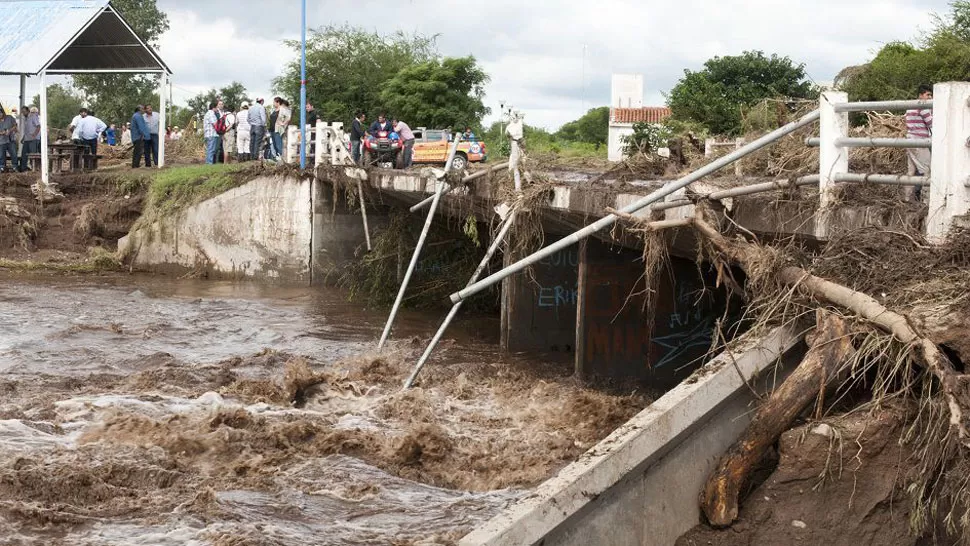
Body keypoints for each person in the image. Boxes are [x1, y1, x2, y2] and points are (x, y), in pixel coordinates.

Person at [904, 84, 933, 202]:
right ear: (921, 95)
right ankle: (926, 201)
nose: (930, 97)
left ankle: (907, 199)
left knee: (911, 171)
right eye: (928, 95)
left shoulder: (911, 106)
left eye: (931, 95)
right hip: (920, 142)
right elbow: (932, 124)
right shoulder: (924, 107)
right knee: (927, 170)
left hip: (909, 140)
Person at [18, 106, 41, 172]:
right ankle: (23, 169)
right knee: (24, 154)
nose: (23, 113)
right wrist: (23, 137)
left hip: (33, 139)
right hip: (26, 139)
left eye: (24, 112)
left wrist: (34, 134)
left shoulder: (33, 116)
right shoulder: (25, 119)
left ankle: (35, 169)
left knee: (33, 155)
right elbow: (27, 130)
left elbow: (38, 126)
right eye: (22, 112)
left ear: (28, 111)